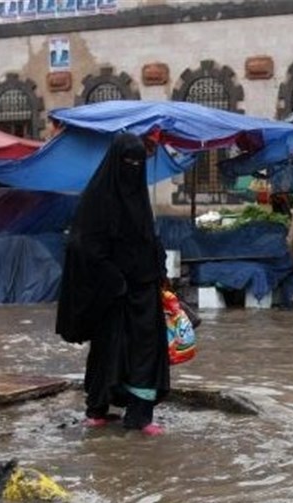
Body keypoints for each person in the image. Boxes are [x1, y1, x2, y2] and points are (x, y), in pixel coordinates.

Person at [55, 133, 169, 436]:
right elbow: (83, 245)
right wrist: (113, 278)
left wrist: (158, 269)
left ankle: (140, 416)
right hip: (112, 294)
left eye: (137, 163)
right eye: (127, 162)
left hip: (143, 290)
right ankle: (97, 408)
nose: (132, 168)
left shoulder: (140, 199)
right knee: (108, 350)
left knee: (147, 351)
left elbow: (147, 239)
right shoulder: (97, 198)